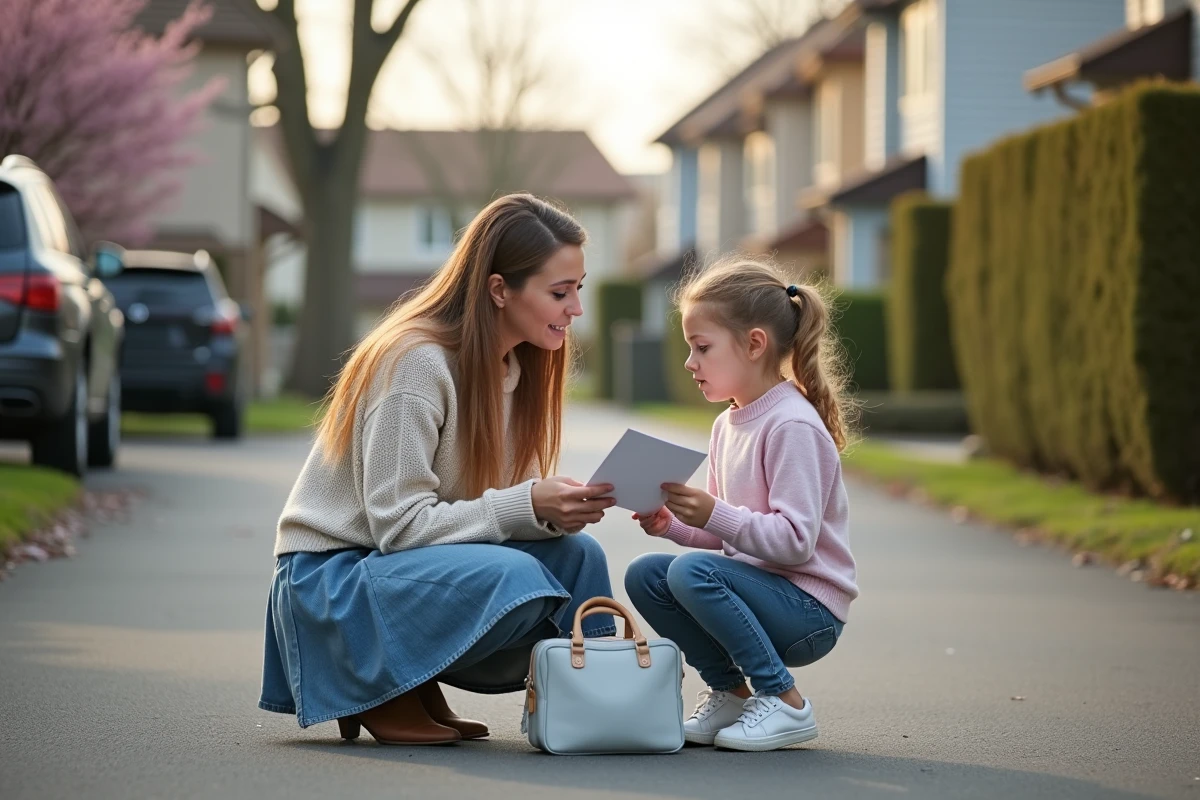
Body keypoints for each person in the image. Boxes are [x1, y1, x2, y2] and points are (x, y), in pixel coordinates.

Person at [259, 193, 617, 746]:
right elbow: (399, 528)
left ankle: (600, 709)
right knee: (518, 578)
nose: (576, 309)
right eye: (559, 292)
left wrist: (549, 509)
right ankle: (379, 684)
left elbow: (474, 516)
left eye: (578, 290)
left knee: (578, 558)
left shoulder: (516, 370)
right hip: (334, 581)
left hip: (395, 573)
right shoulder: (415, 365)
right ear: (500, 289)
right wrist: (525, 503)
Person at [624, 257, 859, 752]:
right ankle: (731, 694)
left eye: (702, 348)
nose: (690, 362)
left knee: (691, 574)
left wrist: (713, 512)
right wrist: (673, 525)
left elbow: (795, 544)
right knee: (647, 572)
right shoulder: (727, 424)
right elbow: (724, 539)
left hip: (807, 611)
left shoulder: (790, 425)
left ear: (755, 344)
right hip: (758, 593)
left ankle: (786, 702)